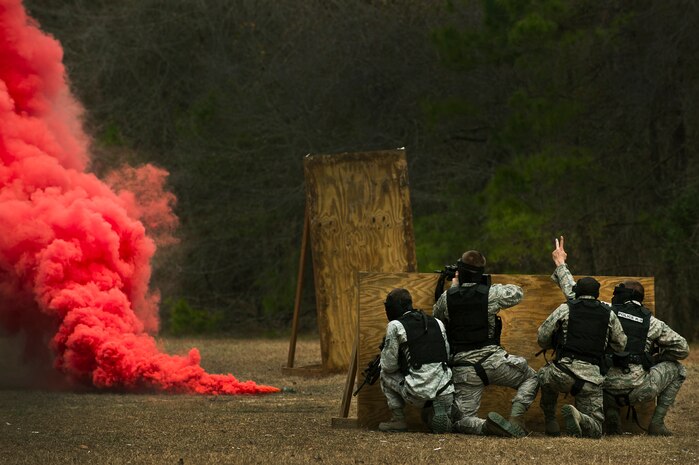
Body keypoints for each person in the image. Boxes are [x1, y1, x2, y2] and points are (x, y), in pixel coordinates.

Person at [433, 250, 539, 438]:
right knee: (532, 378)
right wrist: (486, 284)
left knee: (461, 419)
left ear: (460, 272)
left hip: (464, 369)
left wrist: (455, 288)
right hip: (494, 362)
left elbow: (437, 317)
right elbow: (517, 293)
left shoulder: (446, 298)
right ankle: (515, 418)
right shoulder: (491, 293)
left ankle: (484, 427)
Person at [537, 236, 627, 438]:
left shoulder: (567, 308)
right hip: (591, 379)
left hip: (562, 373)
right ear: (597, 295)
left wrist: (560, 263)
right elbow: (621, 345)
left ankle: (550, 420)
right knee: (595, 430)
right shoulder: (608, 312)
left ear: (577, 293)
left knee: (542, 377)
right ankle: (581, 417)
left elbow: (542, 336)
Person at [378, 288, 455, 433]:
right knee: (429, 419)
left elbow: (388, 366)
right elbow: (446, 354)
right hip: (445, 390)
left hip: (418, 394)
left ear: (393, 308)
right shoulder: (437, 322)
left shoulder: (395, 326)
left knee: (383, 372)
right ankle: (437, 412)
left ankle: (398, 420)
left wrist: (403, 362)